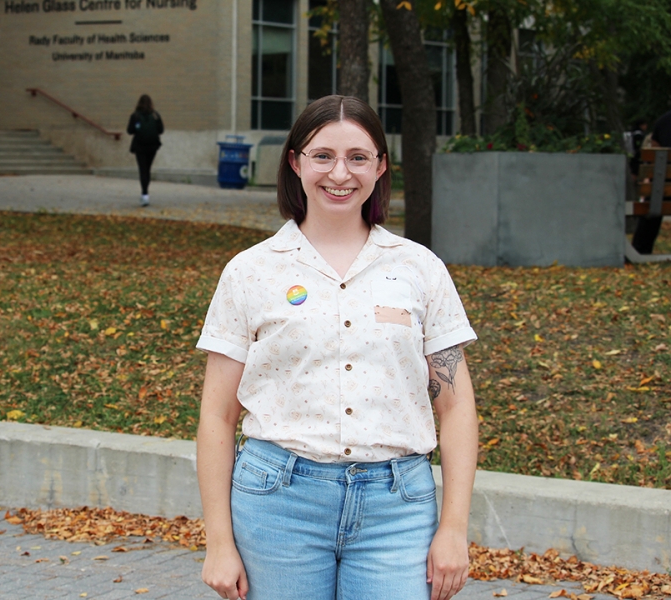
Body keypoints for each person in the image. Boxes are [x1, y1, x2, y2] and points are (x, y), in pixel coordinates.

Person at [195, 95, 479, 600]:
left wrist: (454, 528)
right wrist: (218, 542)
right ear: (295, 161)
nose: (340, 173)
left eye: (358, 157)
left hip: (398, 507)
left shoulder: (420, 269)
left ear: (381, 166)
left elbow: (455, 407)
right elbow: (217, 416)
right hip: (278, 503)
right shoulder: (250, 272)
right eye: (322, 155)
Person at [632, 109, 671, 254]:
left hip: (662, 194)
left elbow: (654, 151)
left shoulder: (664, 120)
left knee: (654, 196)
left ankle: (641, 249)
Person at [127, 94, 164, 207]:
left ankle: (145, 194)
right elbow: (161, 130)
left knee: (142, 169)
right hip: (152, 146)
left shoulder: (135, 116)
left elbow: (129, 131)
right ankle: (145, 193)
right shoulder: (155, 115)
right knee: (147, 169)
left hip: (140, 146)